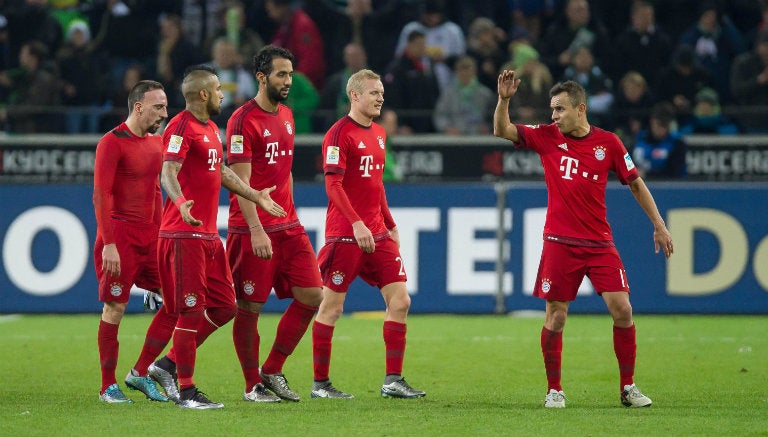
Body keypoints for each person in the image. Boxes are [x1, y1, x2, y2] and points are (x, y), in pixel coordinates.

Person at [493, 71, 674, 408]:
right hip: (560, 242)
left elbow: (635, 183)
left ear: (581, 109)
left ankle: (628, 387)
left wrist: (659, 224)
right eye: (552, 110)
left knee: (622, 309)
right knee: (557, 317)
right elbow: (502, 130)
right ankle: (554, 389)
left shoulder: (609, 143)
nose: (554, 116)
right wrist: (504, 100)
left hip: (600, 243)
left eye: (560, 109)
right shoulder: (546, 137)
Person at [148, 65, 286, 410]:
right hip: (184, 234)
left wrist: (255, 195)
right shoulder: (180, 126)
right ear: (204, 94)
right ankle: (186, 390)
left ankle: (165, 365)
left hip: (208, 236)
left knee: (225, 306)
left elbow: (221, 169)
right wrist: (179, 203)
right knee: (191, 311)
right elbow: (168, 169)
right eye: (219, 89)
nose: (224, 94)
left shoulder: (210, 128)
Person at [311, 69, 425, 399]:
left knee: (400, 301)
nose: (380, 98)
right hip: (346, 234)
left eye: (382, 94)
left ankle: (393, 380)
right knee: (331, 308)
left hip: (377, 233)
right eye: (374, 93)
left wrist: (389, 224)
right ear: (355, 96)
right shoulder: (337, 134)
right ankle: (320, 384)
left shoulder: (378, 133)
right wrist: (357, 223)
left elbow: (376, 185)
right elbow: (332, 184)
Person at [225, 45, 323, 403]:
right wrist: (255, 229)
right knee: (249, 307)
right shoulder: (241, 120)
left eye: (291, 75)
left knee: (313, 295)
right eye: (281, 75)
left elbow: (286, 172)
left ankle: (273, 368)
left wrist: (290, 210)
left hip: (288, 225)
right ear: (262, 77)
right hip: (252, 229)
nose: (288, 81)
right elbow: (239, 184)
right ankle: (252, 384)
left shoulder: (287, 115)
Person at [93, 80, 170, 403]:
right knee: (115, 307)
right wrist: (109, 243)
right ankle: (107, 386)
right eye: (158, 107)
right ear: (138, 107)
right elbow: (102, 194)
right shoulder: (112, 142)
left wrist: (162, 234)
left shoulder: (157, 143)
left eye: (165, 107)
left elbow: (156, 193)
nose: (164, 114)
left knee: (180, 302)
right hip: (120, 237)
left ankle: (139, 373)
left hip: (151, 238)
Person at [432, 55, 495, 135]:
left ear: (474, 71)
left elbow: (492, 116)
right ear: (456, 72)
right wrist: (447, 128)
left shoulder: (485, 94)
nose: (465, 73)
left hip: (479, 137)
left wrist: (488, 127)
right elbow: (439, 115)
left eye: (468, 69)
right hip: (454, 137)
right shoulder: (448, 93)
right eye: (461, 69)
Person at [632, 102, 686, 179]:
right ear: (652, 121)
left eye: (665, 125)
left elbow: (674, 173)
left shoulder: (677, 144)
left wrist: (647, 175)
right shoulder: (638, 139)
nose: (662, 129)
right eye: (659, 124)